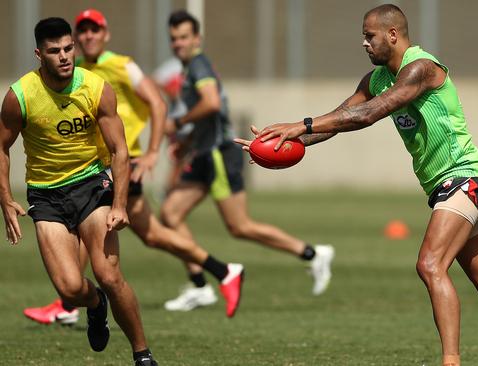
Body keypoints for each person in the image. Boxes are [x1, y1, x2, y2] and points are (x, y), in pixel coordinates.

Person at [238, 5, 478, 366]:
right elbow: (342, 117)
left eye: (370, 36)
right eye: (362, 36)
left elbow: (369, 114)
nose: (364, 43)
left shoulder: (421, 67)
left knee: (430, 264)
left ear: (392, 34)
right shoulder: (375, 79)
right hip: (441, 185)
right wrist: (278, 146)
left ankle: (450, 361)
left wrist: (301, 125)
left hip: (464, 175)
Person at [22, 9, 244, 325]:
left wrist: (153, 152)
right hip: (98, 165)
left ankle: (68, 304)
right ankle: (223, 272)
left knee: (98, 234)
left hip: (122, 164)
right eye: (83, 32)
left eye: (94, 30)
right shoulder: (77, 70)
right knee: (151, 234)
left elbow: (158, 103)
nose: (88, 37)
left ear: (106, 34)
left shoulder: (121, 65)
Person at [0, 17, 158, 365]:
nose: (64, 56)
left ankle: (142, 355)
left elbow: (119, 151)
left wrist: (119, 204)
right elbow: (1, 146)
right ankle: (95, 303)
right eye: (55, 51)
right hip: (45, 195)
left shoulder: (96, 88)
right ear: (39, 54)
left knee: (109, 274)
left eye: (68, 48)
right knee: (71, 290)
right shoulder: (20, 96)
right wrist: (6, 199)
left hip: (91, 186)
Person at [160, 10, 334, 307]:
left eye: (184, 37)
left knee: (239, 226)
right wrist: (188, 141)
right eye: (174, 39)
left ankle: (313, 254)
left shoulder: (199, 65)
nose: (178, 43)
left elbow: (212, 104)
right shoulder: (190, 68)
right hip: (204, 152)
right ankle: (199, 285)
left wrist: (177, 126)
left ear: (197, 39)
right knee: (170, 215)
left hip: (217, 154)